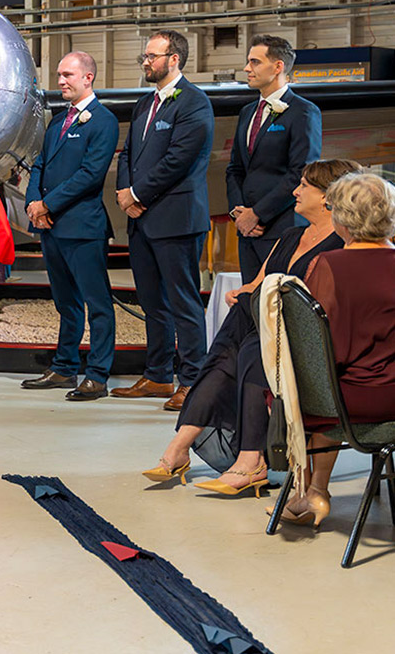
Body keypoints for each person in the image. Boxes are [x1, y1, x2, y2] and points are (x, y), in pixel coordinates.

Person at [142, 159, 360, 493]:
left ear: (329, 196)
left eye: (304, 186)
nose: (295, 191)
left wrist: (251, 300)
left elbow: (323, 306)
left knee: (247, 345)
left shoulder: (344, 244)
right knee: (237, 338)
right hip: (269, 330)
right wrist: (238, 294)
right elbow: (258, 283)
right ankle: (207, 450)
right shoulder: (290, 235)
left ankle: (219, 453)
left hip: (305, 341)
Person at [273, 172, 395, 527]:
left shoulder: (330, 265)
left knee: (297, 388)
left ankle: (311, 493)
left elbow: (320, 350)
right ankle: (314, 493)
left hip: (348, 400)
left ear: (341, 218)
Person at [113, 29, 214, 412]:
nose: (145, 61)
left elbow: (179, 161)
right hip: (141, 220)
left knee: (183, 303)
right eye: (145, 55)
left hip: (176, 220)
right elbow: (127, 155)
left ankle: (192, 380)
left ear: (174, 59)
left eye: (152, 56)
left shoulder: (194, 103)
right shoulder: (143, 104)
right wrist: (125, 194)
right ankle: (157, 375)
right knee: (153, 302)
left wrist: (137, 194)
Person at [20, 52, 118, 401]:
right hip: (50, 227)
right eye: (59, 75)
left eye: (68, 75)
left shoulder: (103, 121)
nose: (61, 81)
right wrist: (34, 204)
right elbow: (39, 165)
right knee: (66, 303)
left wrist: (48, 204)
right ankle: (64, 366)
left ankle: (97, 375)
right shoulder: (57, 121)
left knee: (98, 303)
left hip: (83, 228)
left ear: (88, 77)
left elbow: (90, 176)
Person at [225, 34, 322, 282]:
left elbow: (301, 172)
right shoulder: (247, 113)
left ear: (278, 66)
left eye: (255, 62)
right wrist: (239, 214)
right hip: (246, 230)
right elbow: (235, 169)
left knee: (278, 307)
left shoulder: (303, 112)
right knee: (250, 304)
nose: (247, 68)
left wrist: (257, 214)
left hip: (282, 227)